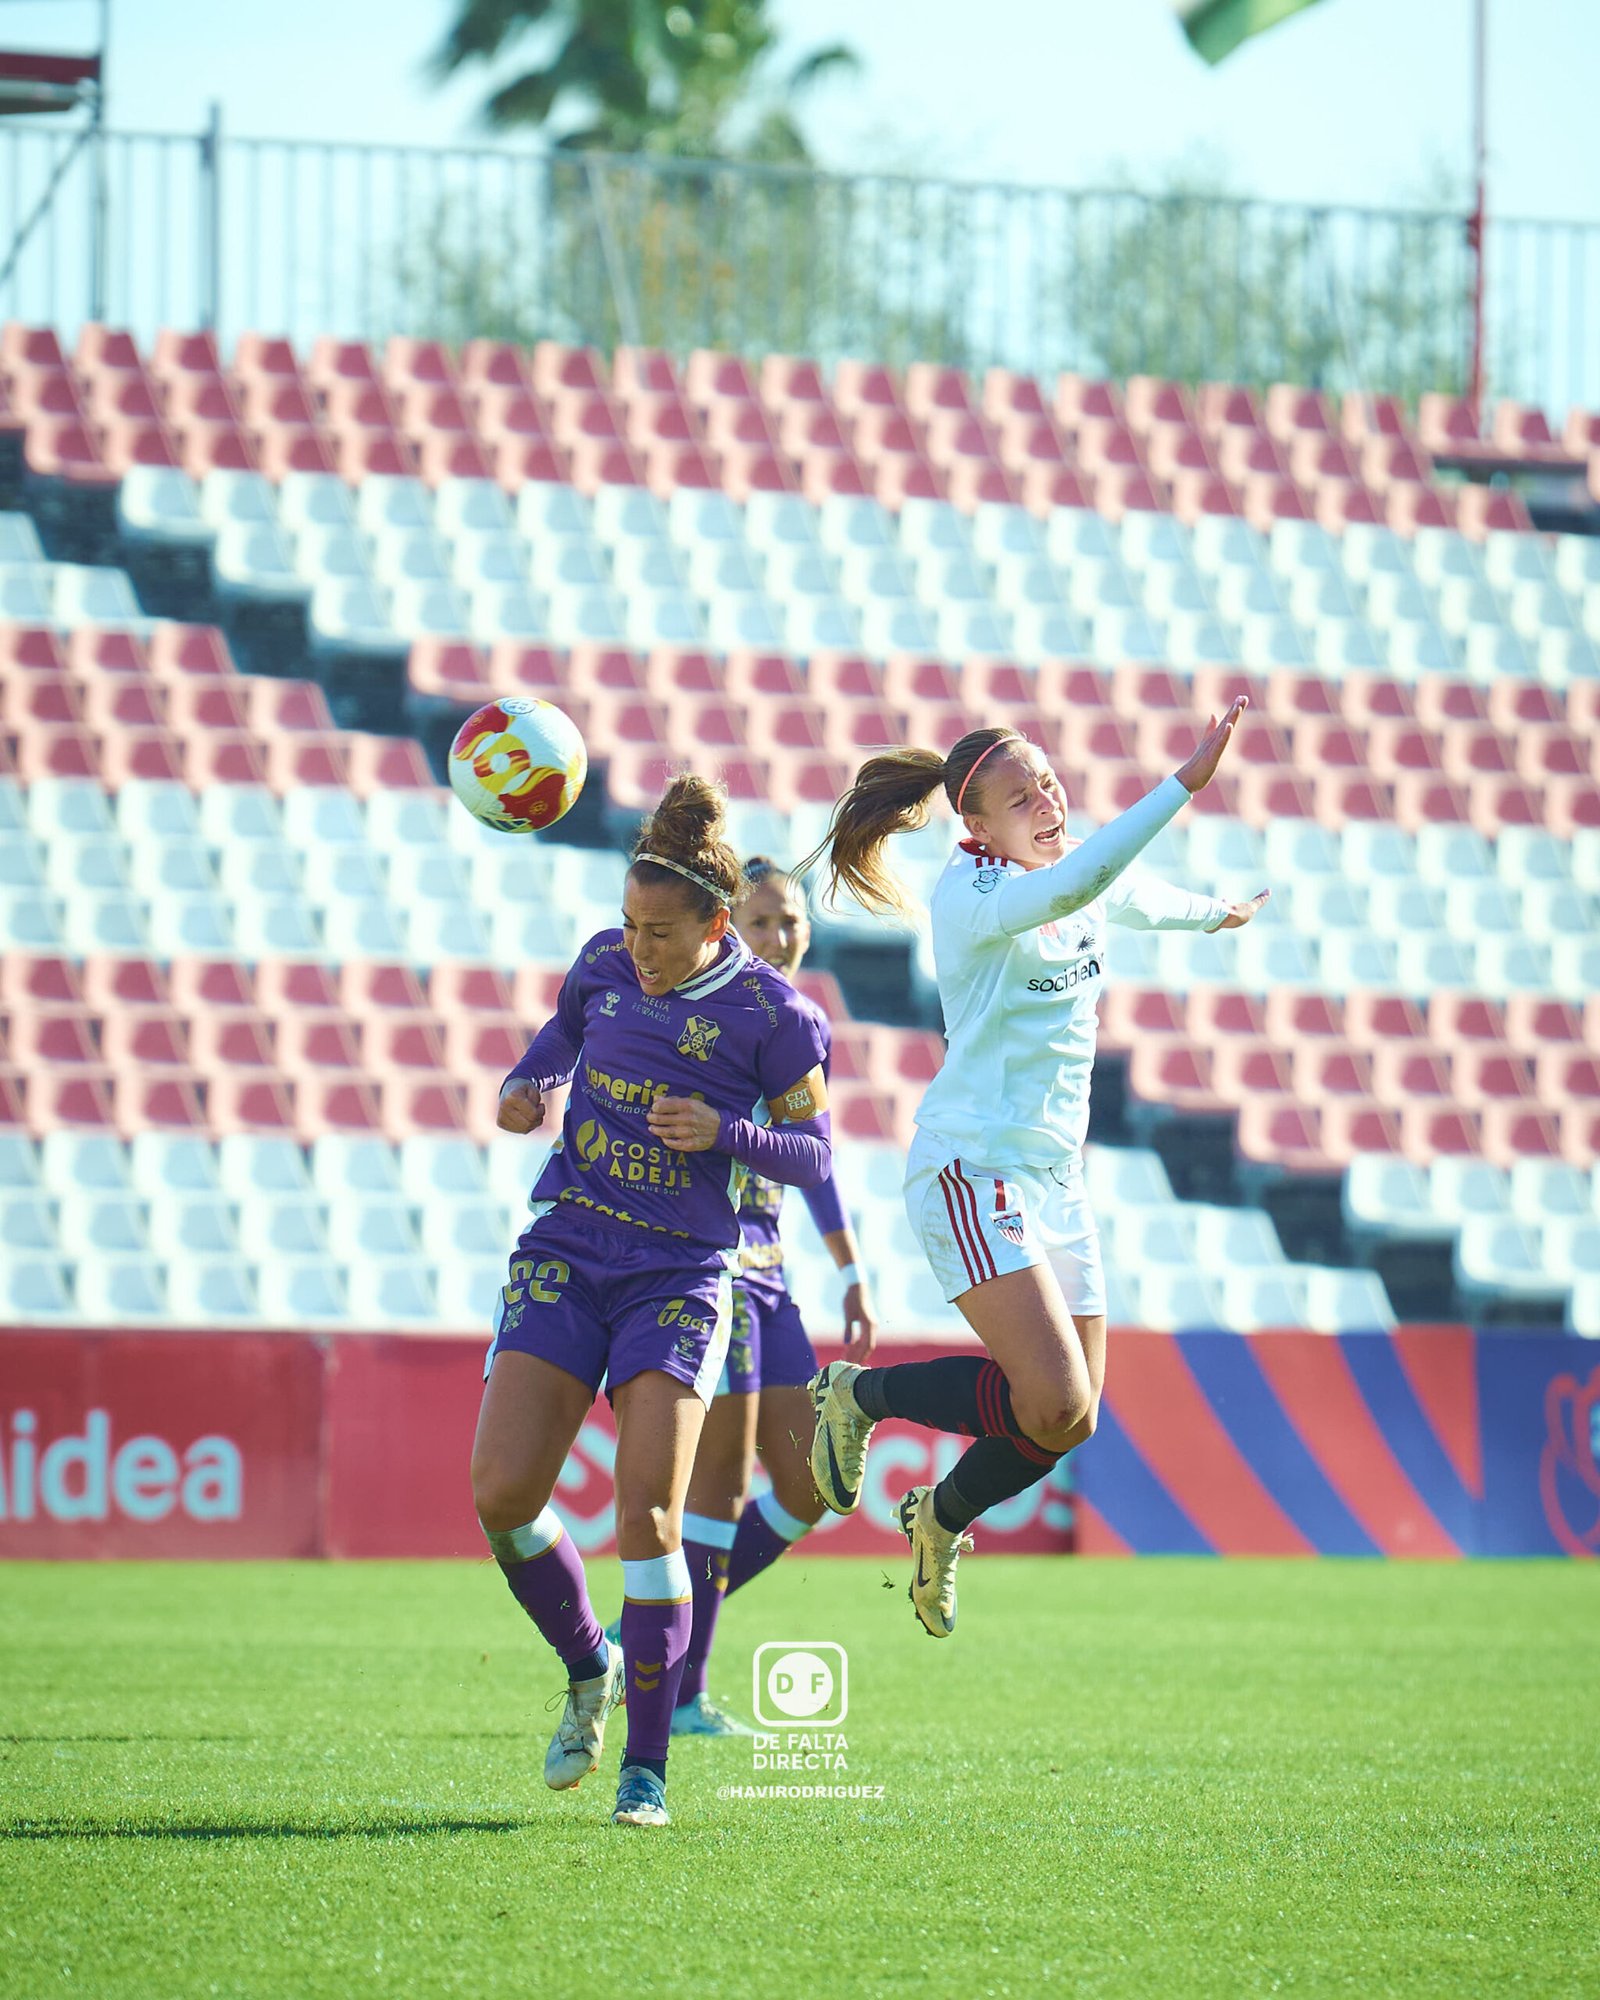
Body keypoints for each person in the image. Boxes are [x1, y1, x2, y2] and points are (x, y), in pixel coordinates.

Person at [801, 700, 1267, 1638]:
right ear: (976, 828)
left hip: (1056, 1181)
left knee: (1070, 1419)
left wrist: (1215, 915)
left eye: (1048, 783)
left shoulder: (1070, 865)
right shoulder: (973, 895)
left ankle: (937, 1518)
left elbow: (1125, 891)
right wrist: (1183, 782)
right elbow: (1076, 888)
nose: (1047, 803)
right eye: (1022, 799)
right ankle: (858, 1394)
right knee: (1049, 1398)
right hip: (973, 1170)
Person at [471, 776, 833, 1827]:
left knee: (650, 1514)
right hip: (569, 1244)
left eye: (662, 931)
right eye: (631, 925)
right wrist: (527, 1084)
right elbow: (559, 1035)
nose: (640, 947)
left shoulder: (776, 1017)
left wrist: (722, 1132)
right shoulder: (602, 963)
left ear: (718, 924)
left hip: (679, 1271)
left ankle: (644, 1771)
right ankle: (589, 1663)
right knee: (500, 1492)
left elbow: (812, 1155)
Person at [663, 857, 877, 1734]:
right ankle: (678, 1687)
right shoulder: (709, 1014)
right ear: (727, 931)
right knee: (717, 1488)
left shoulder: (798, 1021)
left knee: (810, 1483)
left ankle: (653, 1632)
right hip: (717, 1262)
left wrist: (851, 1268)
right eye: (759, 923)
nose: (778, 937)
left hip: (774, 1268)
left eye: (788, 921)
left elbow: (811, 1151)